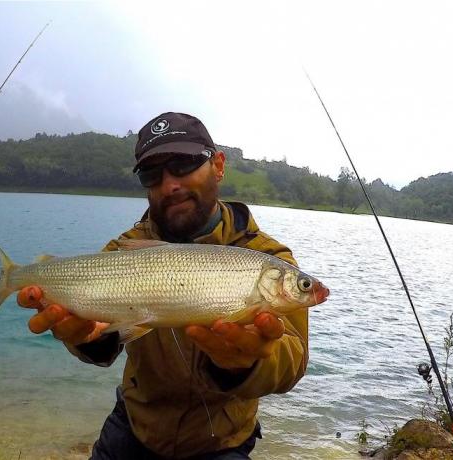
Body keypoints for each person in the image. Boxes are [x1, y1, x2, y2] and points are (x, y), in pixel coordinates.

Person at [17, 112, 308, 459]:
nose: (170, 185)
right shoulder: (122, 250)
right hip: (135, 424)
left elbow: (293, 359)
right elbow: (99, 335)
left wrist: (244, 363)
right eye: (152, 174)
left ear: (218, 165)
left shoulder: (267, 257)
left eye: (184, 165)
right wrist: (85, 338)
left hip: (219, 439)